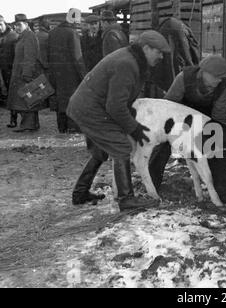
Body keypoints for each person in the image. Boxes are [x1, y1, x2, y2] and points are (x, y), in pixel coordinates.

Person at [66, 30, 171, 212]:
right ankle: (126, 199)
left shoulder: (132, 59)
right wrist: (134, 128)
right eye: (158, 52)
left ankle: (80, 193)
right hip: (90, 109)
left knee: (101, 150)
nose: (161, 56)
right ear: (146, 48)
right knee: (121, 147)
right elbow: (115, 107)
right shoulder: (127, 64)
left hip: (89, 106)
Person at [149, 55, 226, 207]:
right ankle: (151, 185)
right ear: (203, 72)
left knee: (218, 143)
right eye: (216, 77)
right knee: (161, 145)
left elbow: (219, 117)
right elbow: (167, 105)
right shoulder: (183, 79)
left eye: (221, 78)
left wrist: (210, 135)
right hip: (178, 118)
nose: (219, 81)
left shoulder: (223, 87)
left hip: (206, 118)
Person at [48, 8, 86, 133]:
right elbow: (77, 57)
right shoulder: (72, 33)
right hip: (71, 75)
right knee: (72, 100)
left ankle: (62, 127)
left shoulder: (53, 33)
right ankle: (73, 128)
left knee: (60, 101)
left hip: (56, 73)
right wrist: (84, 76)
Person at [7, 14, 45, 132]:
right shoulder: (23, 36)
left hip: (26, 74)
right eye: (15, 25)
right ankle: (31, 124)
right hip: (20, 73)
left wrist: (27, 73)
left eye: (19, 25)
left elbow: (30, 56)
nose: (17, 27)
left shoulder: (29, 36)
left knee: (28, 99)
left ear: (26, 24)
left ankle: (28, 125)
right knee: (27, 98)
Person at [0, 14, 19, 126]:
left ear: (4, 22)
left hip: (10, 71)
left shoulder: (13, 36)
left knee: (13, 95)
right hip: (1, 71)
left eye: (0, 24)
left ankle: (13, 119)